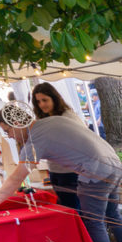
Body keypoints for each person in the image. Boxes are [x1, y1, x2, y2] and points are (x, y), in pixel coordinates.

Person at [0, 105, 122, 242]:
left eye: (7, 130)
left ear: (16, 123)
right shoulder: (53, 120)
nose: (9, 136)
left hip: (94, 172)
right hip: (114, 164)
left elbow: (17, 178)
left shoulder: (35, 141)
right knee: (113, 214)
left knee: (94, 222)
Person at [31, 82, 87, 212]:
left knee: (73, 209)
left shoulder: (67, 116)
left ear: (54, 98)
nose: (42, 104)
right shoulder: (43, 118)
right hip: (55, 170)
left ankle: (80, 232)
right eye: (38, 101)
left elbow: (82, 140)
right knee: (67, 208)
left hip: (71, 171)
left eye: (45, 100)